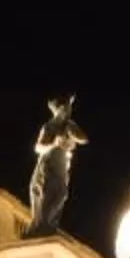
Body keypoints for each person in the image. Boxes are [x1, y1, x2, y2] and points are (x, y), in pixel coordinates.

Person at [25, 95, 86, 237]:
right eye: (64, 109)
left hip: (61, 166)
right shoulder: (49, 126)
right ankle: (41, 226)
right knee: (48, 196)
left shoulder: (69, 125)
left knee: (60, 194)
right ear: (57, 110)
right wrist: (54, 144)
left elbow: (84, 139)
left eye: (68, 109)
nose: (66, 112)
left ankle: (47, 225)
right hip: (48, 166)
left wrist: (72, 130)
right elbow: (38, 148)